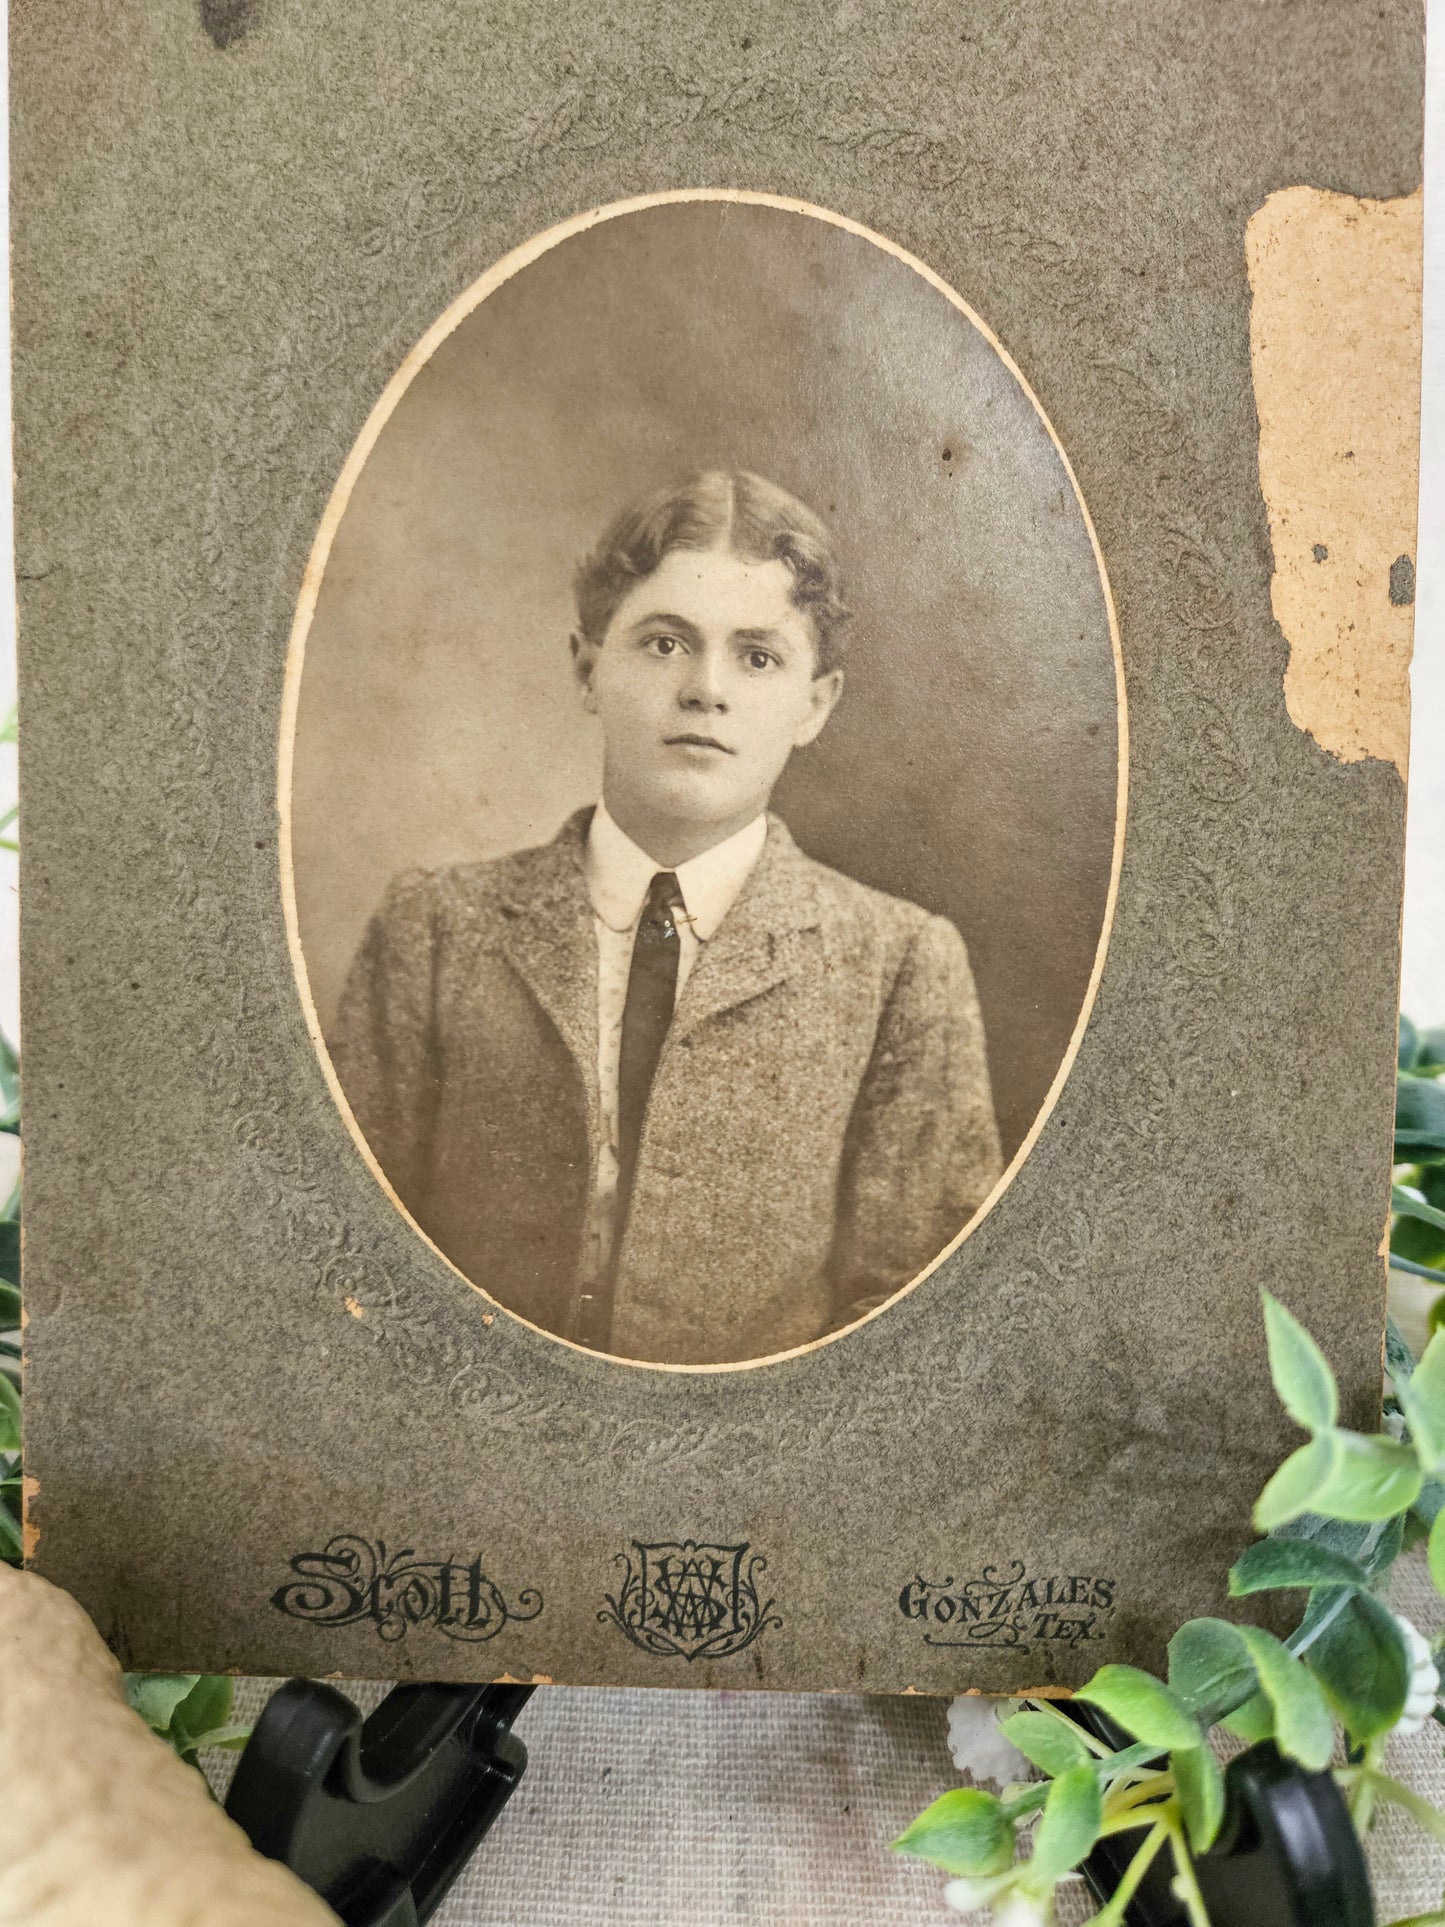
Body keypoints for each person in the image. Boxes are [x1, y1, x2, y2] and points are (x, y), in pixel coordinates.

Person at [329, 470, 1002, 1366]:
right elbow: (349, 1262)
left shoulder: (896, 963)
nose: (705, 690)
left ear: (814, 704)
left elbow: (916, 1324)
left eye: (758, 656)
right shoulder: (437, 928)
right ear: (586, 669)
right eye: (663, 644)